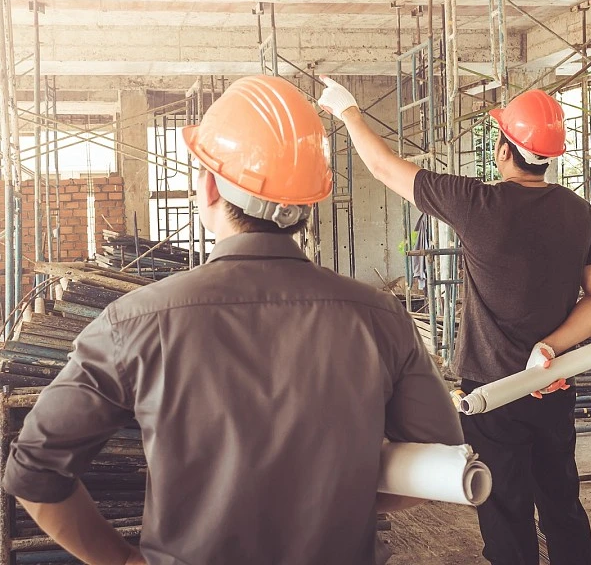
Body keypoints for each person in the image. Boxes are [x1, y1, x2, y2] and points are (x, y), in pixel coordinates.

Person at [3, 75, 464, 565]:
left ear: (207, 186)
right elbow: (439, 462)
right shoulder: (379, 318)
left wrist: (123, 561)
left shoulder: (135, 322)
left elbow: (35, 472)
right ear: (310, 202)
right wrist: (337, 505)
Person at [319, 78, 591, 565]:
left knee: (505, 510)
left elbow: (381, 167)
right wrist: (551, 346)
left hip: (492, 393)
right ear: (548, 157)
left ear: (504, 151)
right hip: (552, 383)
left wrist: (348, 110)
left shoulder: (477, 204)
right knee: (562, 504)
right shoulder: (580, 213)